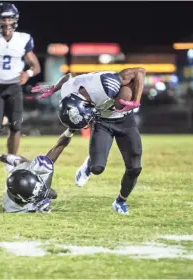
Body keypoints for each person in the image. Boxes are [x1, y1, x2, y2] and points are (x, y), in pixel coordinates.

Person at [31, 68, 146, 215]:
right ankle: (90, 163)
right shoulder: (68, 92)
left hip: (125, 120)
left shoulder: (108, 85)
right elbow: (69, 77)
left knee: (135, 167)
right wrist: (55, 88)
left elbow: (140, 72)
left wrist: (136, 100)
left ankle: (120, 201)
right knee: (97, 168)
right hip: (103, 122)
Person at [0, 94, 98, 213]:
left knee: (41, 162)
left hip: (24, 171)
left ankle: (11, 159)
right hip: (23, 192)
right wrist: (42, 200)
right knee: (49, 194)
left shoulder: (35, 169)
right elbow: (51, 195)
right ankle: (13, 162)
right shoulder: (12, 208)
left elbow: (58, 147)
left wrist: (71, 129)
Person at [0, 2, 41, 164]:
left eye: (10, 19)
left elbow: (36, 66)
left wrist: (28, 73)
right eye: (3, 19)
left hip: (14, 87)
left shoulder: (23, 39)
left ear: (15, 19)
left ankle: (11, 161)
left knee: (16, 126)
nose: (7, 23)